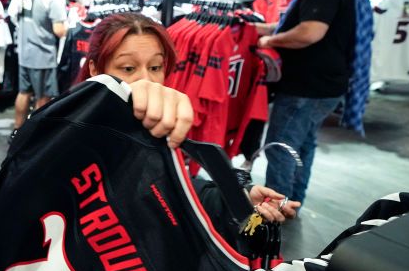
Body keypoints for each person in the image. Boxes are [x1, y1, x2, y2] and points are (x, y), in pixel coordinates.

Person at [80, 12, 300, 224]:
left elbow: (170, 187)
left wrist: (236, 198)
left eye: (155, 67)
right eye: (128, 68)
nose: (147, 80)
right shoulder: (71, 128)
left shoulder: (157, 126)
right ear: (95, 69)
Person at [258, 0, 356, 206]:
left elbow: (310, 32)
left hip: (306, 87)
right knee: (302, 145)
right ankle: (293, 203)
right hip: (324, 86)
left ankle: (274, 211)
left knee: (281, 147)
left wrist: (270, 40)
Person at [10, 0, 68, 131]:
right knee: (44, 97)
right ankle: (35, 136)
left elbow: (12, 15)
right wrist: (69, 26)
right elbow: (59, 30)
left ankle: (18, 131)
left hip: (24, 50)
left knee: (24, 92)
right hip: (42, 54)